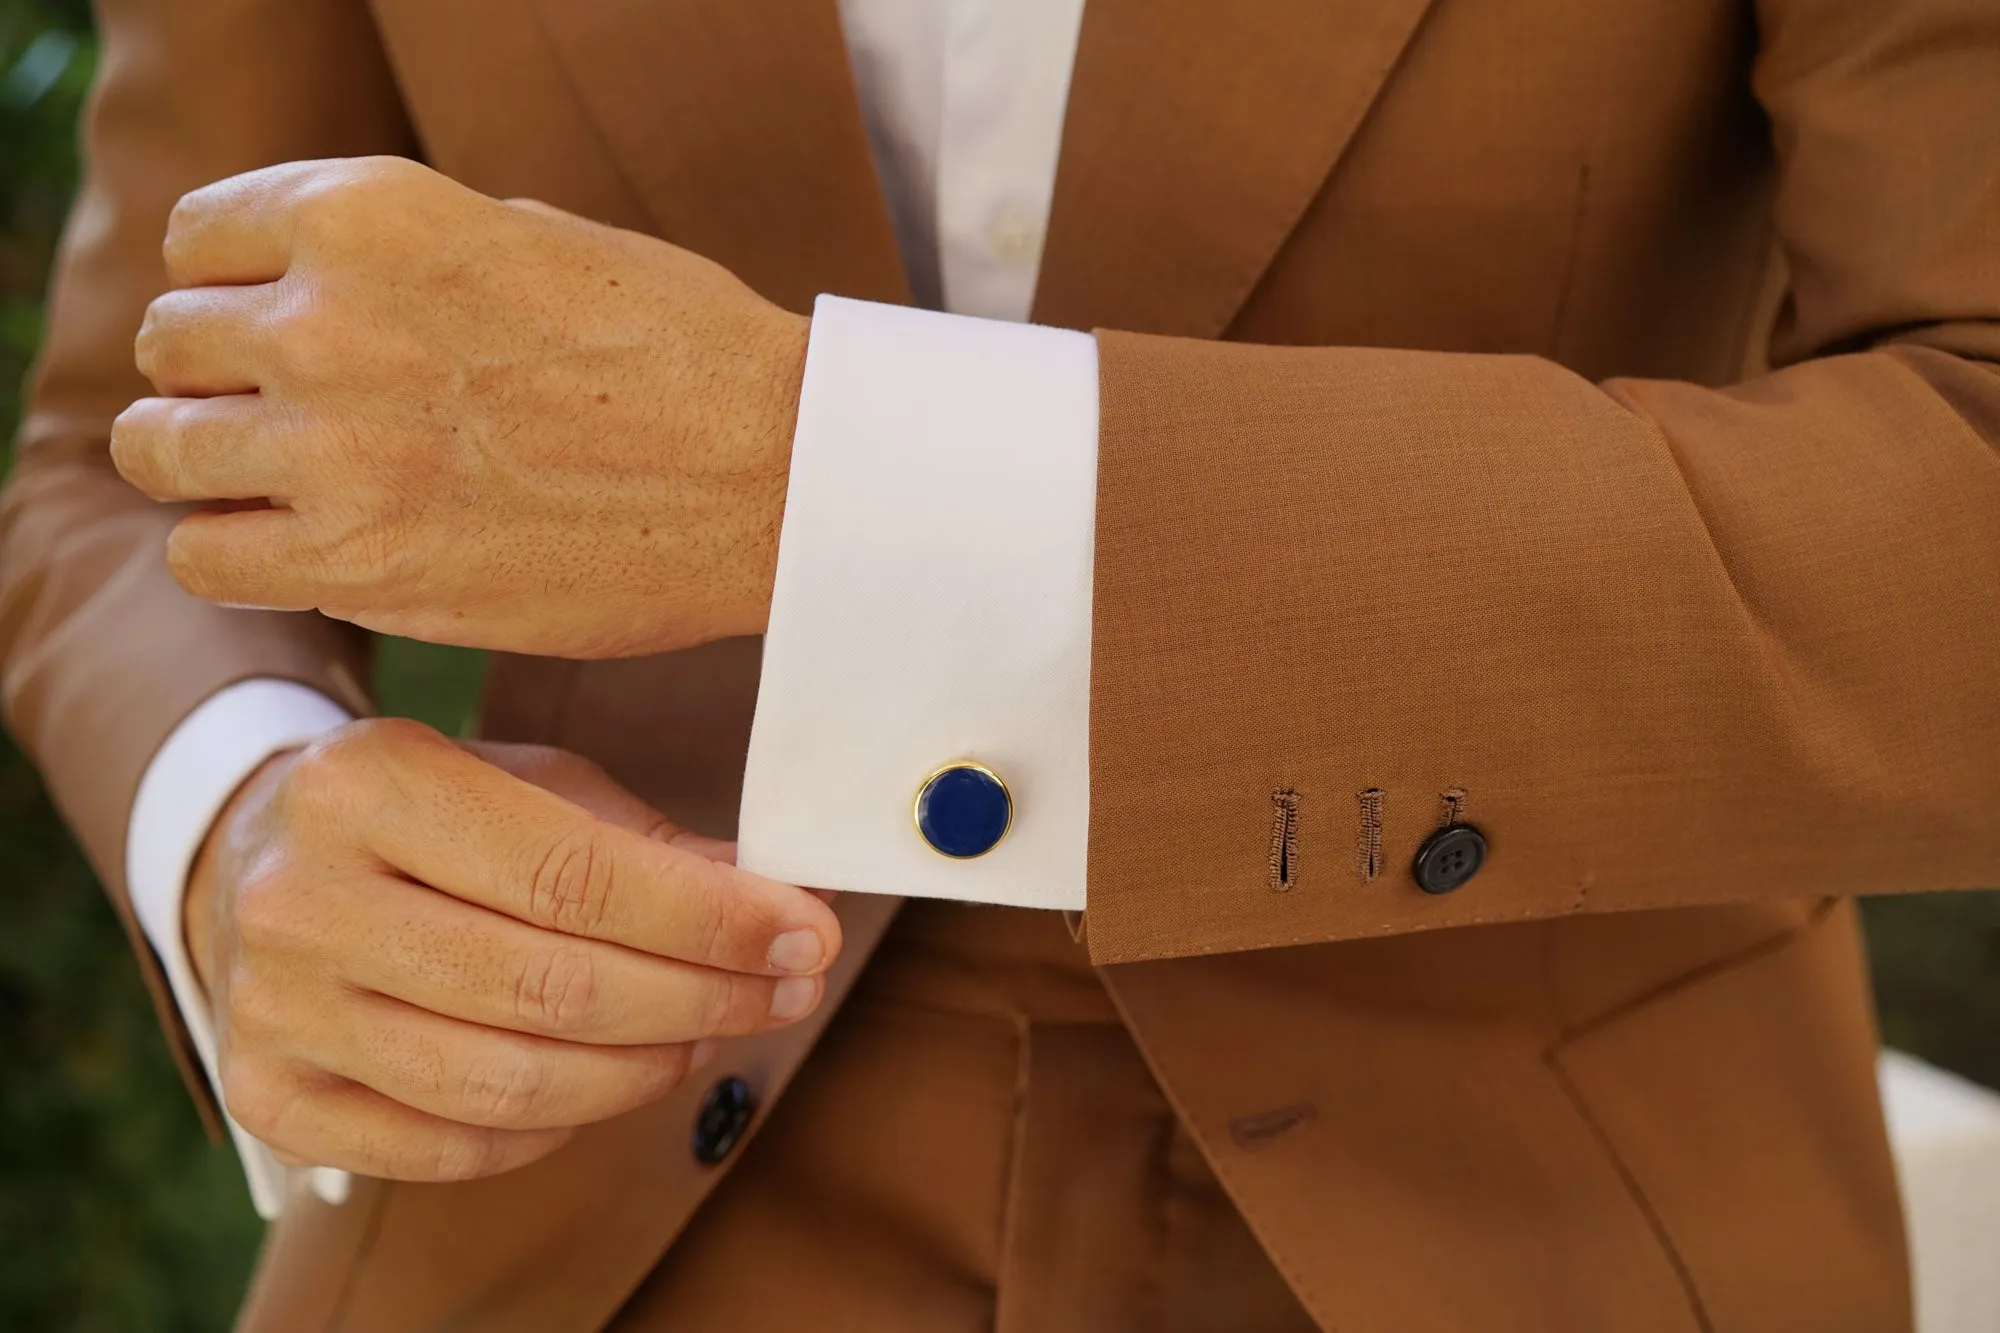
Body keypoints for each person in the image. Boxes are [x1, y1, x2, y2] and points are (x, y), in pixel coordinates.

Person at [4, 0, 1996, 1328]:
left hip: (1540, 1216)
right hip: (562, 1205)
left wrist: (832, 478)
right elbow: (125, 440)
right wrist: (239, 813)